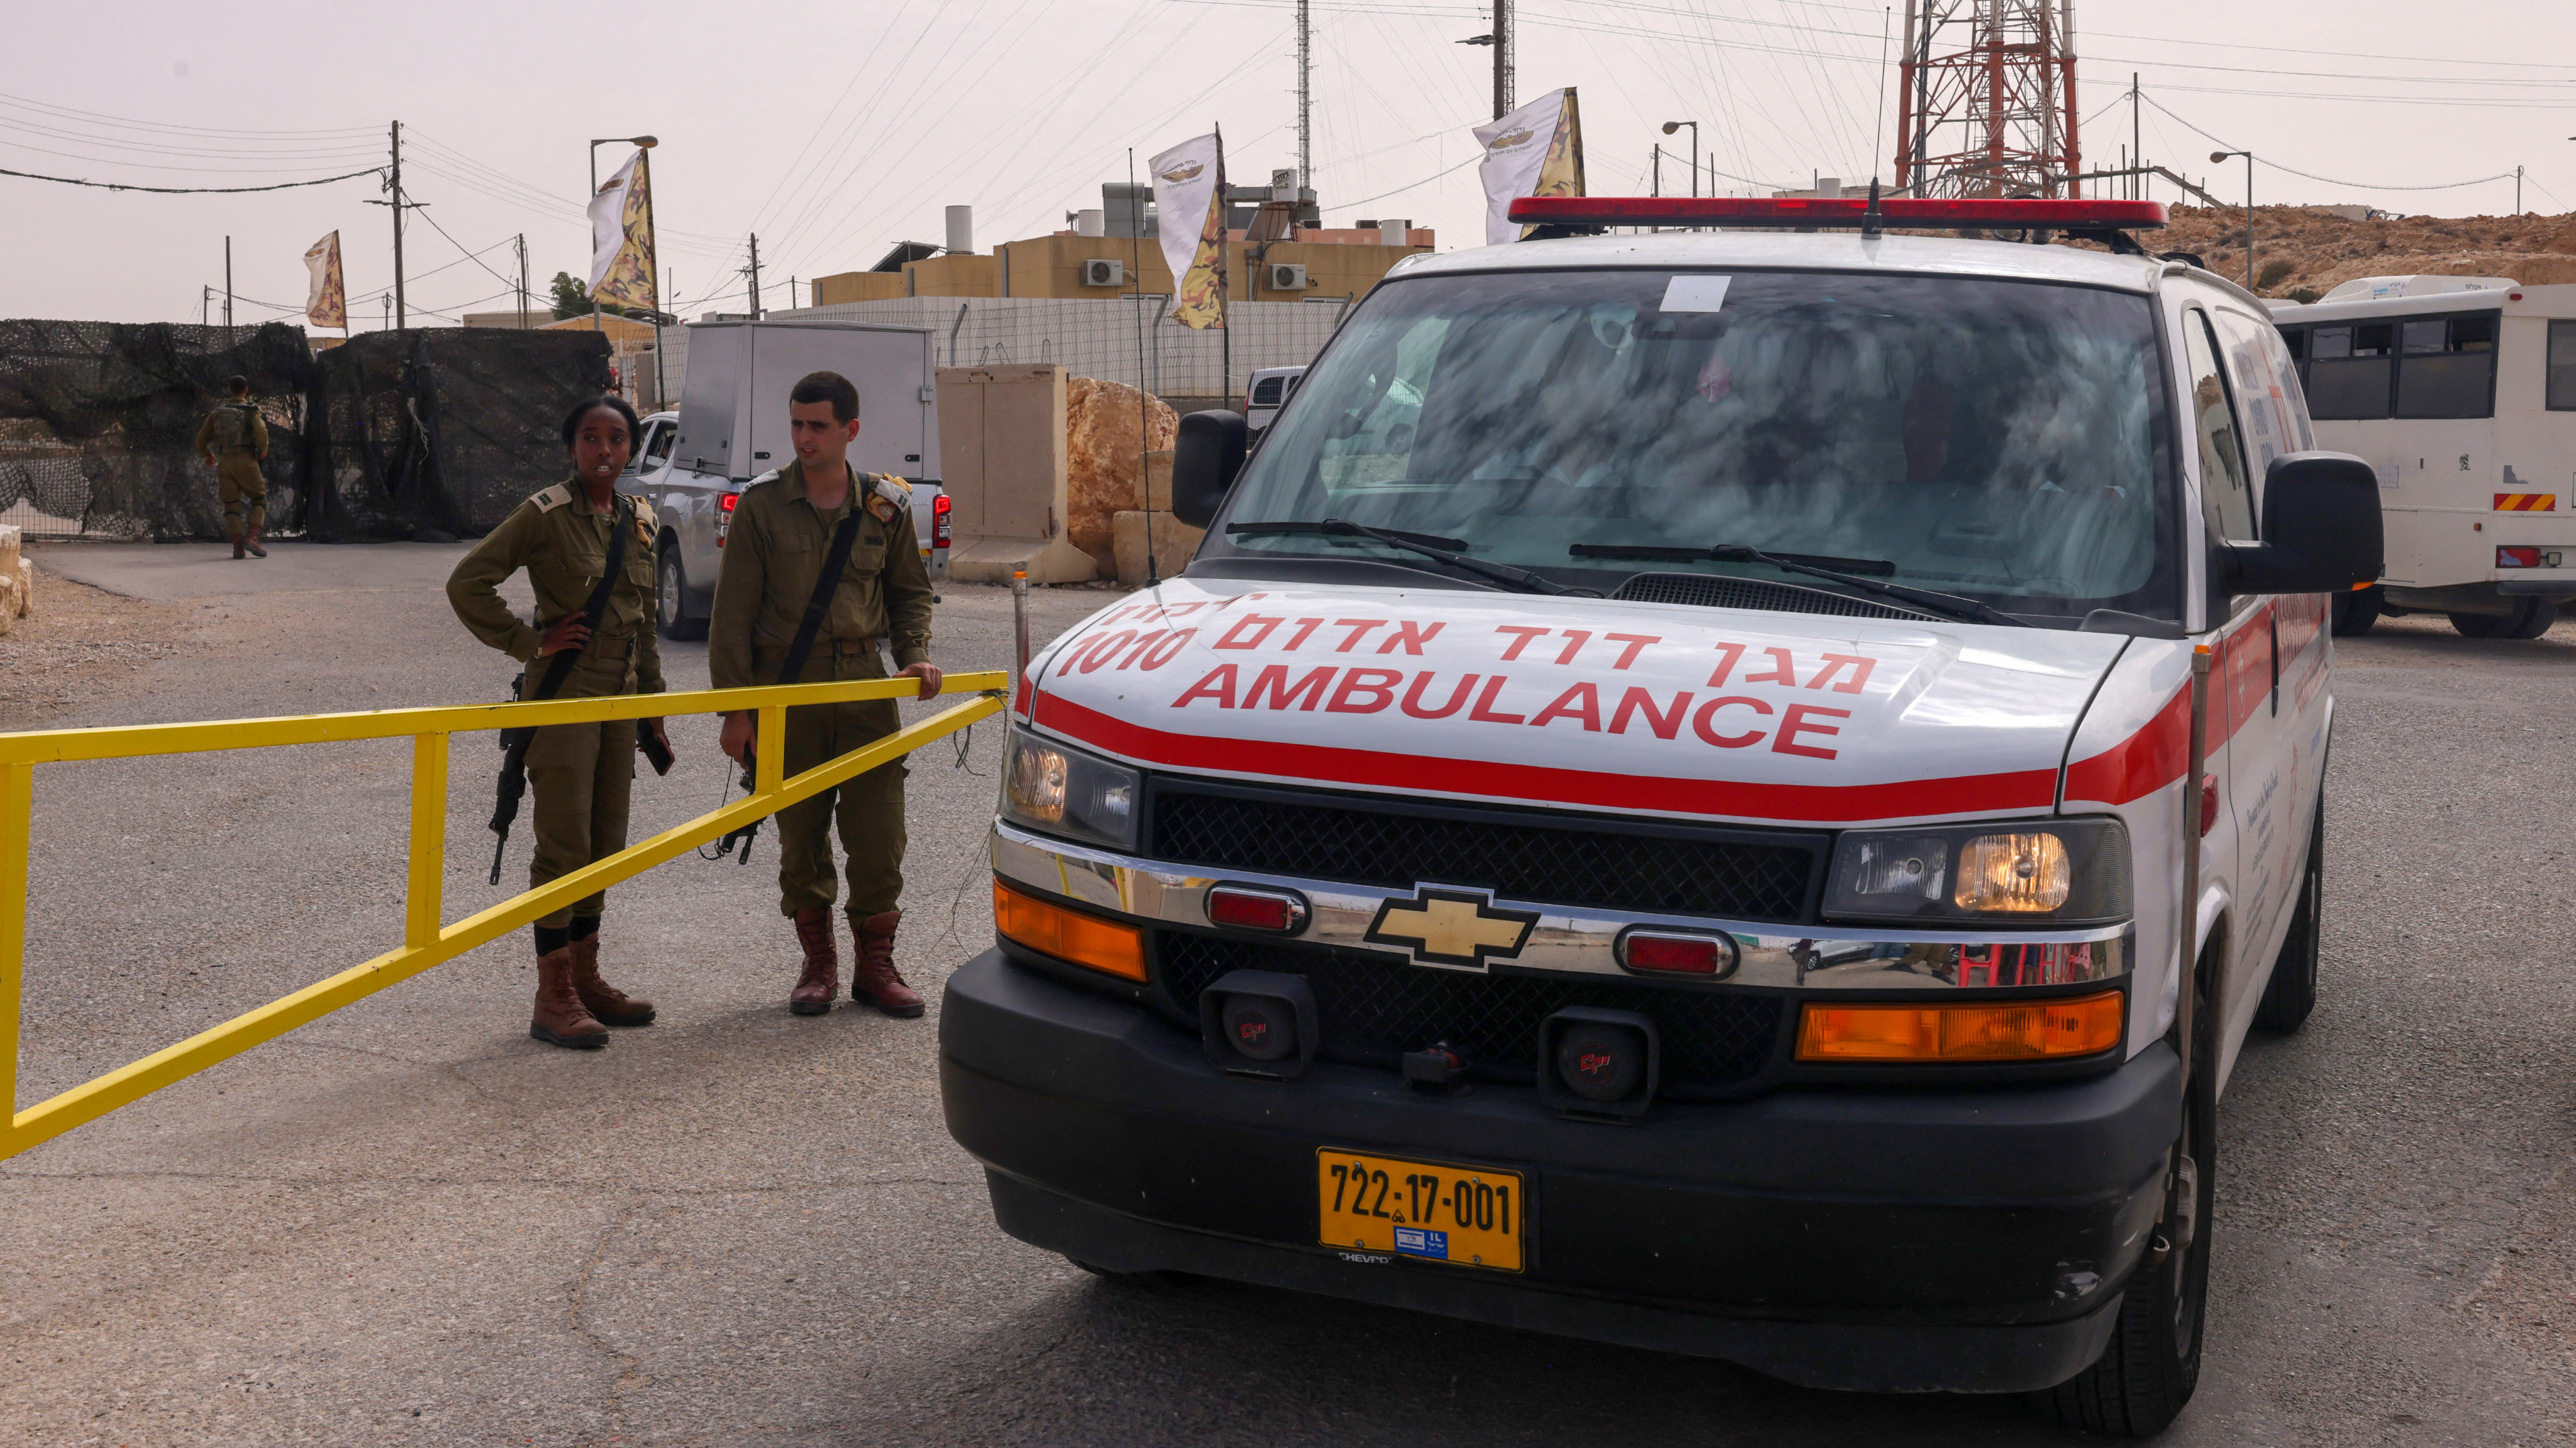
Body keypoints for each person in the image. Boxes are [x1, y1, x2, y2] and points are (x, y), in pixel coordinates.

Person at [707, 369, 938, 1018]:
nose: (803, 438)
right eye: (796, 424)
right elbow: (732, 618)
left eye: (817, 426)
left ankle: (876, 967)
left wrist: (916, 654)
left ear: (850, 430)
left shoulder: (884, 507)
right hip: (789, 692)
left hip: (866, 688)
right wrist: (737, 711)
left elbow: (909, 593)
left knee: (878, 835)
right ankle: (818, 965)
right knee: (801, 836)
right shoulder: (760, 506)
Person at [446, 395, 671, 1049]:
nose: (605, 451)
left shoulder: (641, 518)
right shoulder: (544, 514)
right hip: (566, 691)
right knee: (564, 843)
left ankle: (589, 978)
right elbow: (469, 583)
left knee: (606, 841)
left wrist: (652, 706)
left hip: (621, 696)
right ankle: (553, 995)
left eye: (617, 439)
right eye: (591, 438)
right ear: (571, 446)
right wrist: (527, 642)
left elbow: (646, 620)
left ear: (631, 448)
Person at [194, 376, 269, 559]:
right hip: (246, 461)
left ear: (229, 390)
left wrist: (207, 454)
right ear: (246, 390)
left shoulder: (217, 413)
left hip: (226, 463)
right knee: (259, 499)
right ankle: (252, 538)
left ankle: (237, 548)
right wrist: (264, 448)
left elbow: (200, 441)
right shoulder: (251, 411)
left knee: (231, 505)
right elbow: (260, 431)